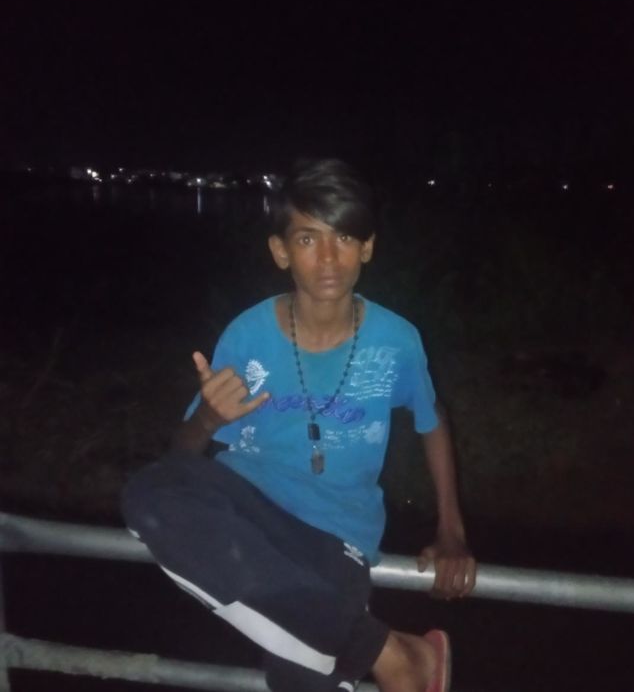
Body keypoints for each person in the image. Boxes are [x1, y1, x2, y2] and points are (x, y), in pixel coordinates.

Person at [121, 159, 476, 692]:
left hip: (337, 534)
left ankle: (369, 649)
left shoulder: (396, 341)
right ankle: (392, 654)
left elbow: (432, 419)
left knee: (301, 679)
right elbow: (182, 457)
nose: (329, 258)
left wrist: (451, 530)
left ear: (367, 248)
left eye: (344, 237)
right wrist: (209, 418)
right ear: (281, 251)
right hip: (249, 515)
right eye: (309, 239)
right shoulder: (247, 334)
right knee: (150, 491)